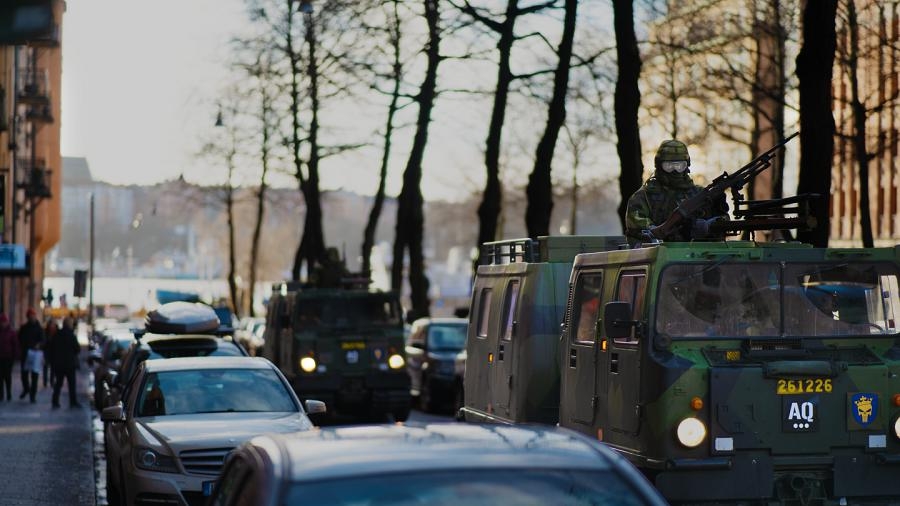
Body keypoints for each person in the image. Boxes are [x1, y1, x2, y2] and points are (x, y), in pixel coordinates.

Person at [625, 139, 728, 243]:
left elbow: (723, 223)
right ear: (659, 166)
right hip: (658, 254)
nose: (674, 170)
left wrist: (710, 225)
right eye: (669, 166)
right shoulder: (643, 196)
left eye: (679, 166)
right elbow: (638, 228)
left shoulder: (699, 194)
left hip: (698, 254)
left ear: (687, 166)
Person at [48, 316, 81, 408]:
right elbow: (77, 349)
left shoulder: (57, 334)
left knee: (58, 383)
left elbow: (51, 348)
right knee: (71, 384)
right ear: (69, 324)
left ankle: (55, 401)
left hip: (59, 364)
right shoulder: (71, 335)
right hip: (70, 364)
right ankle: (73, 402)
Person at [17, 307, 44, 399]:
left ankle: (33, 395)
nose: (32, 317)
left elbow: (43, 340)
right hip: (25, 353)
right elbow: (19, 339)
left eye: (33, 315)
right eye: (30, 316)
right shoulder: (24, 328)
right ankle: (26, 389)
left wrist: (39, 345)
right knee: (24, 374)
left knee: (34, 376)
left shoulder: (39, 328)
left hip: (35, 354)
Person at [0, 313, 18, 401]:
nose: (2, 324)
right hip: (0, 357)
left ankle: (8, 393)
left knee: (7, 376)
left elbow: (15, 344)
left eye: (4, 322)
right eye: (1, 322)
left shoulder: (11, 332)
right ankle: (1, 394)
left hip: (8, 357)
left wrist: (15, 356)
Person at [43, 318, 58, 388]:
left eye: (53, 324)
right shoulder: (45, 332)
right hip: (47, 351)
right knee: (46, 367)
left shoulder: (56, 332)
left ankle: (52, 381)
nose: (52, 325)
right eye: (51, 324)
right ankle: (45, 382)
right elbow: (44, 341)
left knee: (53, 368)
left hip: (54, 351)